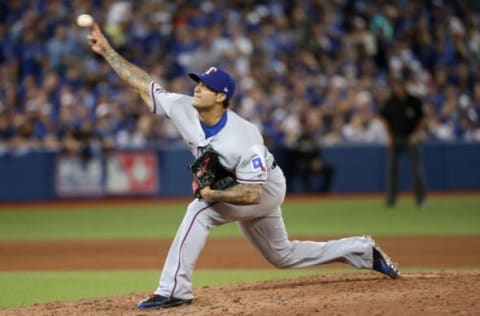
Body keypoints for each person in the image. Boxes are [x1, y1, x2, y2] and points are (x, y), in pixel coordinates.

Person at [86, 22, 400, 310]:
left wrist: (211, 193)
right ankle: (362, 250)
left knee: (199, 211)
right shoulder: (183, 107)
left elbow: (252, 194)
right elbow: (143, 84)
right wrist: (108, 51)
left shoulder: (243, 136)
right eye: (197, 82)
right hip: (238, 186)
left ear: (222, 96)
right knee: (283, 256)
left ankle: (174, 289)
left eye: (205, 86)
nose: (197, 88)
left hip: (264, 188)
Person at [379, 72, 427, 208]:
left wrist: (416, 134)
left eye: (402, 84)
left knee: (416, 169)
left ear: (406, 85)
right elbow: (383, 118)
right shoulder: (391, 101)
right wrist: (388, 136)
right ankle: (390, 200)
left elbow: (423, 118)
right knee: (392, 169)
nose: (400, 87)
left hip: (411, 137)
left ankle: (420, 199)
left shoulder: (414, 100)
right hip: (395, 137)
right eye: (398, 84)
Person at [287, 116, 335, 193]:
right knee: (303, 168)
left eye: (306, 127)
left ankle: (323, 191)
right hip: (301, 163)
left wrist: (317, 161)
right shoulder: (297, 139)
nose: (305, 129)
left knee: (330, 168)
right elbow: (293, 155)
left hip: (313, 163)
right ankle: (309, 191)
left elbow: (317, 152)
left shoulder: (312, 138)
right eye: (303, 127)